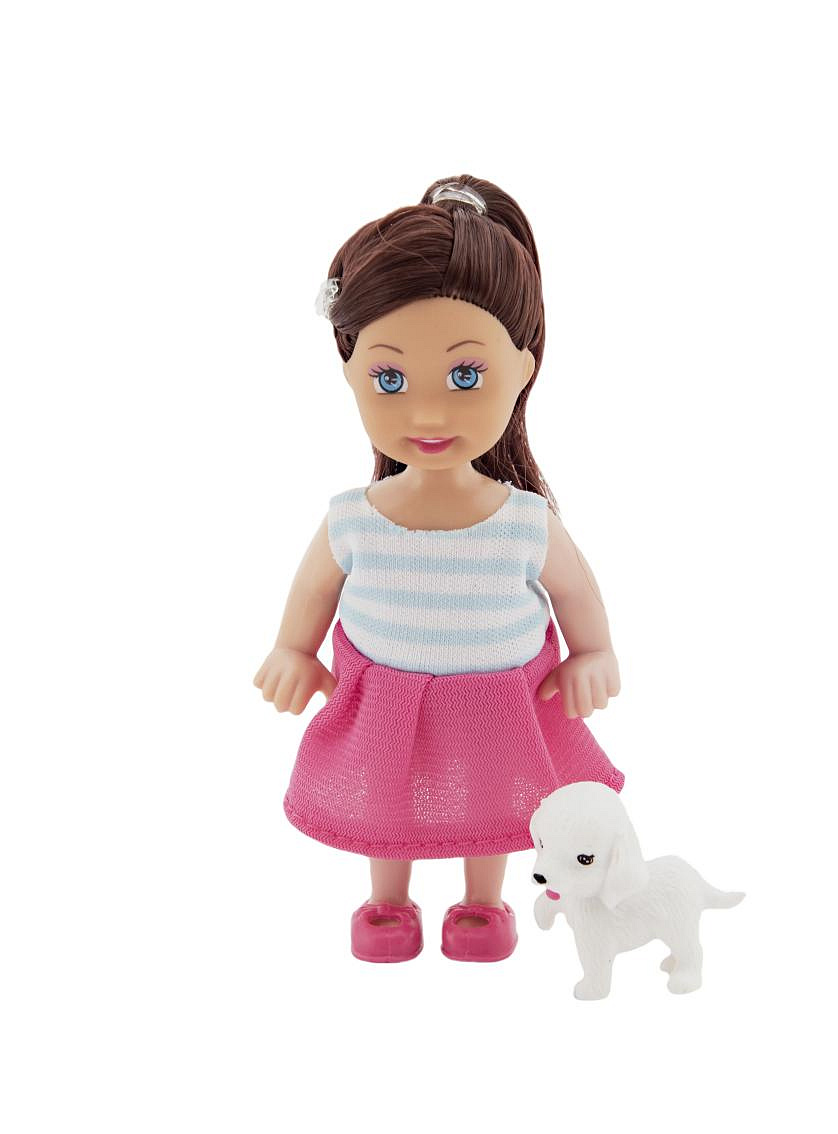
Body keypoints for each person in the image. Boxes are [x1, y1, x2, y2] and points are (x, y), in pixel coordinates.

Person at [253, 175, 625, 964]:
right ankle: (388, 902)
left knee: (491, 800)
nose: (426, 414)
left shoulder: (522, 521)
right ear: (352, 373)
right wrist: (292, 649)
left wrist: (592, 652)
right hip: (386, 699)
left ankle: (482, 903)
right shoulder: (355, 519)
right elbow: (314, 589)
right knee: (386, 802)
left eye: (465, 377)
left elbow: (575, 591)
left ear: (522, 369)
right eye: (390, 379)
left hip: (498, 701)